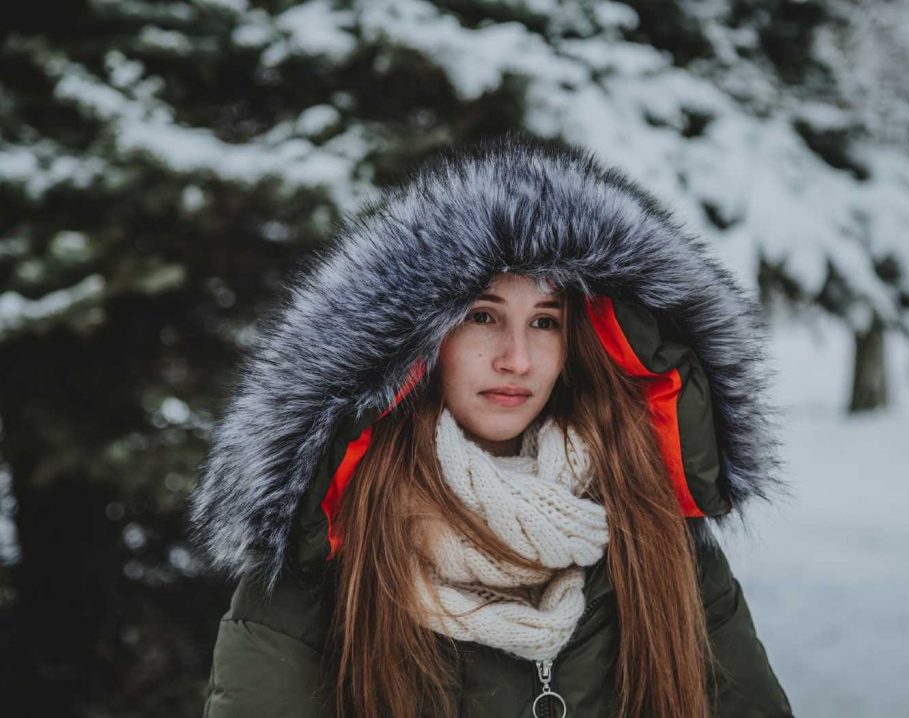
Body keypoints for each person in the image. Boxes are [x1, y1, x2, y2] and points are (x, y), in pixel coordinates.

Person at [187, 134, 793, 718]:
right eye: (483, 316)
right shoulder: (326, 548)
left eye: (545, 322)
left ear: (583, 342)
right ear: (420, 344)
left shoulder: (654, 528)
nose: (517, 359)